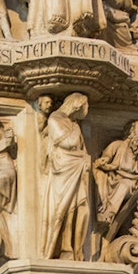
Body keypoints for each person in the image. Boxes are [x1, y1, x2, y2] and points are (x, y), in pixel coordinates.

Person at [40, 93, 93, 260]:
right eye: (83, 109)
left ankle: (77, 250)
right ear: (76, 106)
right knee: (63, 210)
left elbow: (80, 147)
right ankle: (63, 248)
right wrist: (75, 130)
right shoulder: (55, 119)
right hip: (63, 171)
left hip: (77, 169)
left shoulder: (73, 123)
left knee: (83, 210)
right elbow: (69, 143)